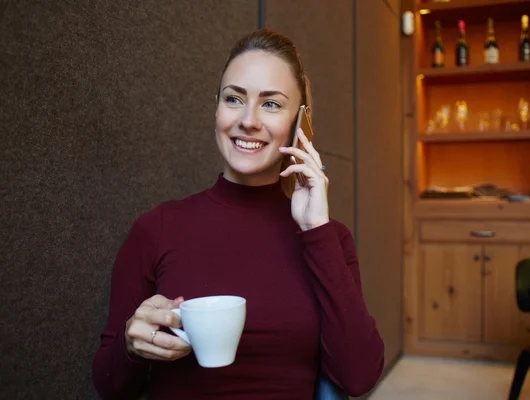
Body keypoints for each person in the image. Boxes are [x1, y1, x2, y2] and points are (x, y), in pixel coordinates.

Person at [92, 29, 384, 400]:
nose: (248, 120)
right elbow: (108, 386)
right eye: (234, 99)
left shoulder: (329, 238)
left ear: (300, 123)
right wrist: (132, 345)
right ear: (217, 109)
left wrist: (316, 230)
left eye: (271, 104)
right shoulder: (157, 228)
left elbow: (358, 377)